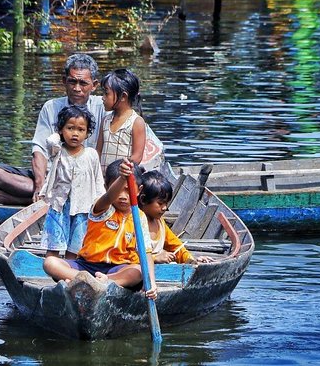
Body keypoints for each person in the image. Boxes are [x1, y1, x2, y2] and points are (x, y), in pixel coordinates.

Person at [0, 54, 106, 205]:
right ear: (64, 81)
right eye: (72, 82)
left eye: (83, 83)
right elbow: (39, 150)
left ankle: (19, 200)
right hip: (51, 177)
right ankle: (45, 196)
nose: (77, 88)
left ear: (94, 85)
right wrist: (39, 187)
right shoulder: (51, 107)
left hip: (87, 179)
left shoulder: (103, 107)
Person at [42, 159, 157, 300]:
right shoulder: (103, 208)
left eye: (128, 190)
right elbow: (109, 197)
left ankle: (102, 281)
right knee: (50, 263)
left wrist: (151, 282)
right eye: (118, 190)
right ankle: (87, 281)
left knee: (138, 271)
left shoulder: (139, 217)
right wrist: (122, 178)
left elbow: (146, 253)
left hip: (117, 269)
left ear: (138, 191)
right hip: (86, 266)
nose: (122, 196)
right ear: (106, 187)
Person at [38, 105, 105, 260]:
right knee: (53, 245)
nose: (75, 134)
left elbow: (98, 181)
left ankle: (68, 274)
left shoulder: (91, 154)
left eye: (81, 130)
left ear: (87, 133)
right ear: (61, 130)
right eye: (70, 128)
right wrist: (59, 133)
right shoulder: (58, 151)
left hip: (83, 207)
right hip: (60, 206)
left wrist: (100, 203)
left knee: (75, 248)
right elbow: (50, 141)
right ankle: (53, 269)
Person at [139, 170, 214, 265]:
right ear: (143, 200)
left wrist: (191, 260)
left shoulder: (160, 223)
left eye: (166, 203)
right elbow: (126, 256)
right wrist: (154, 258)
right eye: (160, 203)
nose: (164, 208)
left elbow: (175, 246)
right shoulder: (133, 222)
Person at [96, 69, 146, 174]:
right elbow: (98, 151)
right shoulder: (106, 120)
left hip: (122, 178)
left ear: (123, 96)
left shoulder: (136, 122)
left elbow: (137, 156)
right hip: (103, 179)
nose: (103, 98)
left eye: (106, 93)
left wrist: (121, 171)